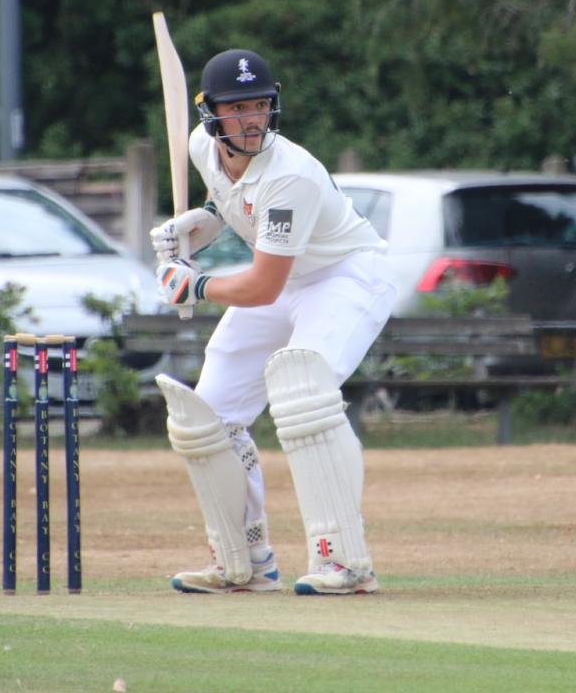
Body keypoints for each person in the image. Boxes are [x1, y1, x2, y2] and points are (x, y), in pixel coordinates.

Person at [150, 48, 398, 595]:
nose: (253, 119)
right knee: (207, 416)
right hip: (290, 277)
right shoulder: (199, 147)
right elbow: (235, 201)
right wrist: (208, 221)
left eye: (260, 104)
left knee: (303, 390)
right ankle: (243, 559)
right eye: (237, 109)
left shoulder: (291, 177)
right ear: (210, 115)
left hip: (346, 275)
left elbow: (261, 286)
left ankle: (345, 561)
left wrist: (196, 285)